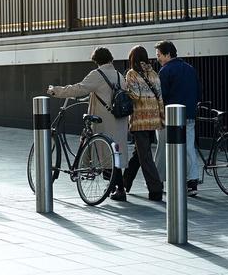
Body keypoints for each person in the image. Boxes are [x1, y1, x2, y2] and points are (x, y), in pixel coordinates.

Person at [47, 47, 129, 201]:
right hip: (119, 119)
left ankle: (119, 188)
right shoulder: (119, 75)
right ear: (110, 59)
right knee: (114, 153)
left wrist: (55, 91)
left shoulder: (97, 74)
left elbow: (79, 88)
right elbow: (105, 94)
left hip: (104, 119)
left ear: (96, 61)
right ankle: (116, 187)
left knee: (106, 153)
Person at [154, 40, 201, 196]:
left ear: (167, 54)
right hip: (189, 115)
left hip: (170, 117)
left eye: (159, 55)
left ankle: (159, 181)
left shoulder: (165, 71)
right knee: (188, 149)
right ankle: (192, 182)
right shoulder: (190, 69)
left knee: (162, 148)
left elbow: (162, 96)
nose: (158, 58)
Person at [123, 46, 164, 201]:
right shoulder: (153, 73)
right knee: (139, 153)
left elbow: (136, 95)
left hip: (140, 120)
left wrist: (123, 90)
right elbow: (160, 97)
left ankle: (156, 190)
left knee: (145, 156)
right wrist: (162, 118)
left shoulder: (131, 74)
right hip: (153, 120)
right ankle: (124, 183)